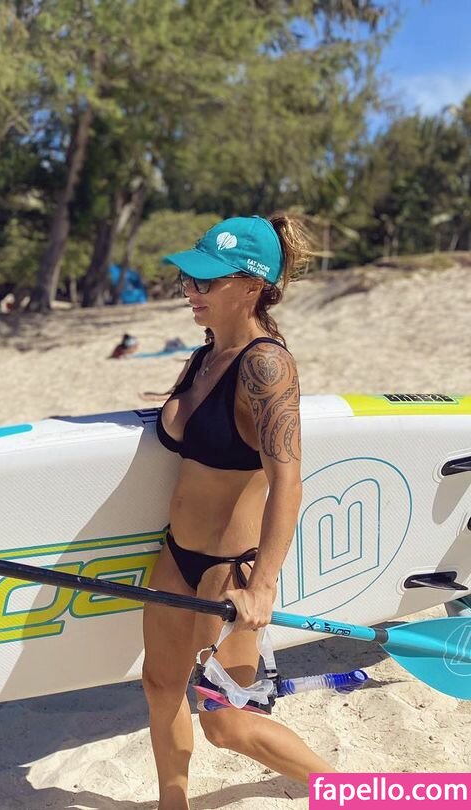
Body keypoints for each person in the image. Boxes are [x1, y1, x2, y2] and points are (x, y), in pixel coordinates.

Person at [142, 214, 329, 808]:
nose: (190, 290)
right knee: (160, 687)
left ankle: (361, 793)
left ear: (251, 286)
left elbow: (288, 483)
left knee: (227, 723)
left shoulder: (265, 365)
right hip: (177, 555)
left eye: (206, 281)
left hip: (229, 572)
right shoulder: (206, 355)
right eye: (188, 279)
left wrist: (263, 586)